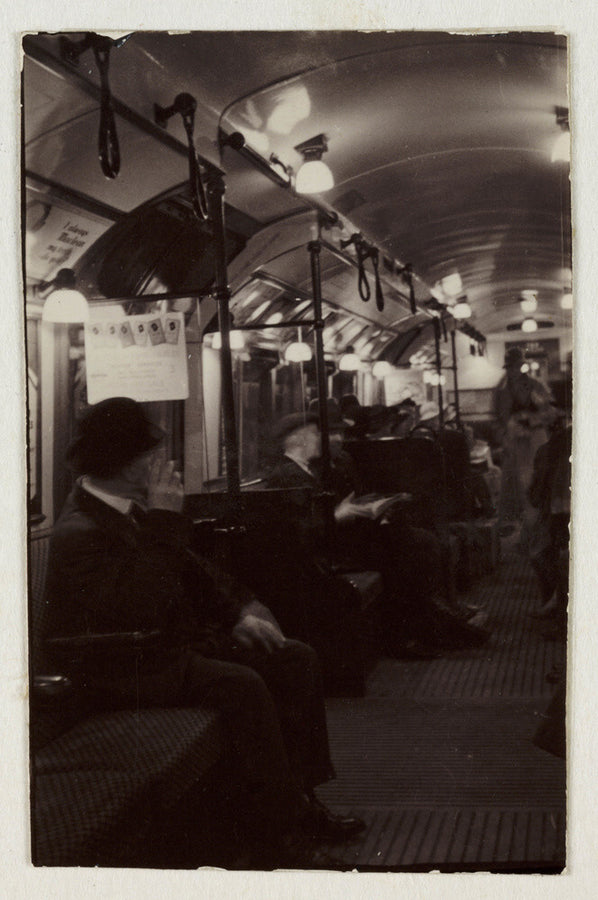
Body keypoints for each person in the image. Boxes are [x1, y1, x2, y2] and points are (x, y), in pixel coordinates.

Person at [42, 397, 365, 867]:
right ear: (124, 463)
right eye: (148, 456)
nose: (160, 464)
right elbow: (140, 606)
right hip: (120, 665)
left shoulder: (125, 509)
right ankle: (277, 833)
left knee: (294, 658)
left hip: (160, 648)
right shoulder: (82, 529)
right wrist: (166, 519)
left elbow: (193, 573)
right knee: (243, 684)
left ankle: (302, 801)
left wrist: (236, 614)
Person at [266, 401, 490, 657]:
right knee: (403, 554)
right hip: (324, 555)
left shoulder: (308, 470)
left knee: (409, 544)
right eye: (317, 433)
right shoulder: (288, 477)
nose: (324, 438)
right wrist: (339, 515)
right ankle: (412, 634)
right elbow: (302, 528)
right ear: (299, 439)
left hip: (337, 543)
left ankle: (432, 626)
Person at [494, 346, 555, 531]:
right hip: (514, 443)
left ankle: (539, 526)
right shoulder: (501, 390)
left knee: (535, 481)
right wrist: (505, 436)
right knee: (515, 486)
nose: (512, 371)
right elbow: (498, 420)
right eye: (510, 367)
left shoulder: (537, 386)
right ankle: (523, 528)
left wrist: (530, 420)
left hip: (536, 440)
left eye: (516, 366)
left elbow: (550, 413)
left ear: (522, 366)